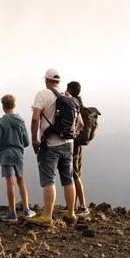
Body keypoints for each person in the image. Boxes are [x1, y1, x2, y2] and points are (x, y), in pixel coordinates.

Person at [27, 68, 83, 227]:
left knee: (49, 179)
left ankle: (47, 217)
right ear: (59, 81)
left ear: (46, 80)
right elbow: (80, 124)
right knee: (68, 179)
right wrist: (70, 136)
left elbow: (35, 118)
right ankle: (71, 215)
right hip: (69, 144)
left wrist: (34, 139)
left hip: (50, 144)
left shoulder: (42, 94)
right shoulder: (69, 97)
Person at [0, 94, 35, 222]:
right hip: (18, 154)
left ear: (3, 106)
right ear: (14, 105)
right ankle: (27, 210)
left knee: (10, 182)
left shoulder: (0, 122)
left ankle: (12, 213)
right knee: (21, 180)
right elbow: (26, 142)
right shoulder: (21, 121)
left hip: (6, 154)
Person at [66, 81, 89, 216]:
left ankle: (83, 206)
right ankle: (73, 206)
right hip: (78, 146)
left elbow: (80, 123)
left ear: (70, 90)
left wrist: (74, 133)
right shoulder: (79, 102)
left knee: (74, 175)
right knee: (75, 174)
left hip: (75, 145)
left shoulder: (74, 104)